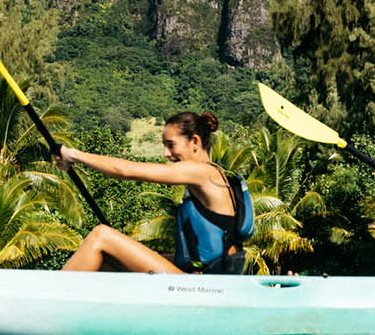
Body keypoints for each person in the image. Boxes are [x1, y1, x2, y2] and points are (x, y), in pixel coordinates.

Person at [57, 111, 254, 274]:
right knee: (106, 260)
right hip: (199, 280)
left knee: (101, 236)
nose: (165, 154)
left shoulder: (201, 172)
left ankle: (50, 302)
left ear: (194, 141)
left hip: (202, 287)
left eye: (171, 145)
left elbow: (126, 171)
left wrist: (72, 155)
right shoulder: (214, 174)